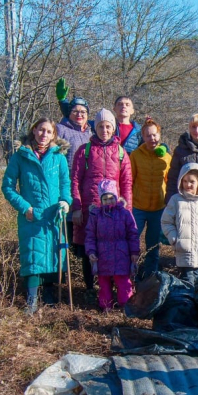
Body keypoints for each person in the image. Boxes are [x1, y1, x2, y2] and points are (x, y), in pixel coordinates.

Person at [1, 117, 71, 315]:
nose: (44, 135)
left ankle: (49, 297)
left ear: (54, 135)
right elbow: (8, 187)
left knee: (53, 254)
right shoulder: (20, 156)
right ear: (34, 130)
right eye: (41, 130)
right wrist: (25, 208)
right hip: (31, 216)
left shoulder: (59, 157)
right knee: (32, 256)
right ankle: (31, 299)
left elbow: (66, 184)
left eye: (49, 132)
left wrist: (66, 201)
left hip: (54, 216)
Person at [70, 108, 133, 296]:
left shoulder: (121, 152)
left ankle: (113, 289)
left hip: (114, 211)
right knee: (89, 246)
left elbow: (127, 182)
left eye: (108, 126)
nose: (104, 130)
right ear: (94, 128)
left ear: (113, 128)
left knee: (113, 248)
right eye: (100, 126)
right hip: (91, 209)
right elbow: (75, 180)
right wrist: (77, 207)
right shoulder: (84, 151)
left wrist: (127, 208)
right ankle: (91, 289)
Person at [85, 180, 140, 311]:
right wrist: (91, 251)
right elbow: (90, 235)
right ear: (101, 200)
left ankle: (126, 306)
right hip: (102, 255)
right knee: (103, 283)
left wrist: (134, 252)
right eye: (105, 199)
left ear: (116, 197)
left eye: (111, 198)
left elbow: (133, 234)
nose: (108, 201)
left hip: (121, 254)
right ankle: (106, 306)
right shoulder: (95, 215)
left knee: (123, 282)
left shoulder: (125, 214)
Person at [161, 163, 198, 285]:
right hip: (183, 250)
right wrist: (174, 238)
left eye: (192, 181)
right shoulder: (176, 200)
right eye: (185, 181)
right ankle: (189, 302)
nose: (188, 184)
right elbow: (166, 221)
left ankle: (189, 303)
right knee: (188, 280)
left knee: (196, 281)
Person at [128, 119, 171, 280]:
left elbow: (170, 182)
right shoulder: (136, 155)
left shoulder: (166, 157)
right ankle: (130, 274)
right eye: (148, 135)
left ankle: (150, 277)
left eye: (154, 135)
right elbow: (129, 180)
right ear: (143, 137)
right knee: (132, 242)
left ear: (159, 135)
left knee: (153, 246)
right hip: (138, 207)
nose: (152, 138)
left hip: (158, 208)